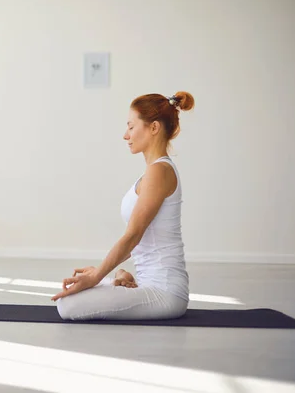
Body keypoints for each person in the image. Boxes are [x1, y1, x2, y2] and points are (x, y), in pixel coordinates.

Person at [51, 91, 195, 321]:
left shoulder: (159, 171)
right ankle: (123, 278)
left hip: (165, 293)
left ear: (154, 128)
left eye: (131, 126)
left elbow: (133, 235)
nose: (125, 135)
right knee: (70, 298)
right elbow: (136, 240)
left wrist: (97, 276)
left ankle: (116, 280)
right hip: (150, 286)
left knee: (67, 305)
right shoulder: (152, 172)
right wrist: (113, 272)